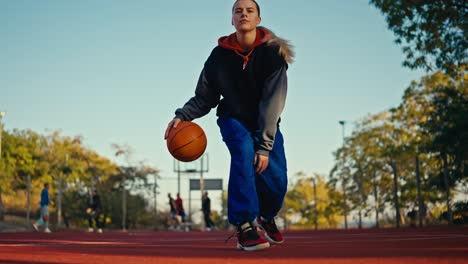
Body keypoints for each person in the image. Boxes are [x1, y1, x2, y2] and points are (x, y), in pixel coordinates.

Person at [165, 0, 293, 251]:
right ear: (232, 20)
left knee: (277, 182)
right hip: (233, 118)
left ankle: (266, 216)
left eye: (249, 10)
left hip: (265, 123)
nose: (243, 14)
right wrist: (183, 115)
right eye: (238, 11)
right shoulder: (217, 58)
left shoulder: (273, 55)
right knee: (243, 151)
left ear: (258, 19)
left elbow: (272, 103)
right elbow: (205, 97)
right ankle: (244, 224)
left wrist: (265, 146)